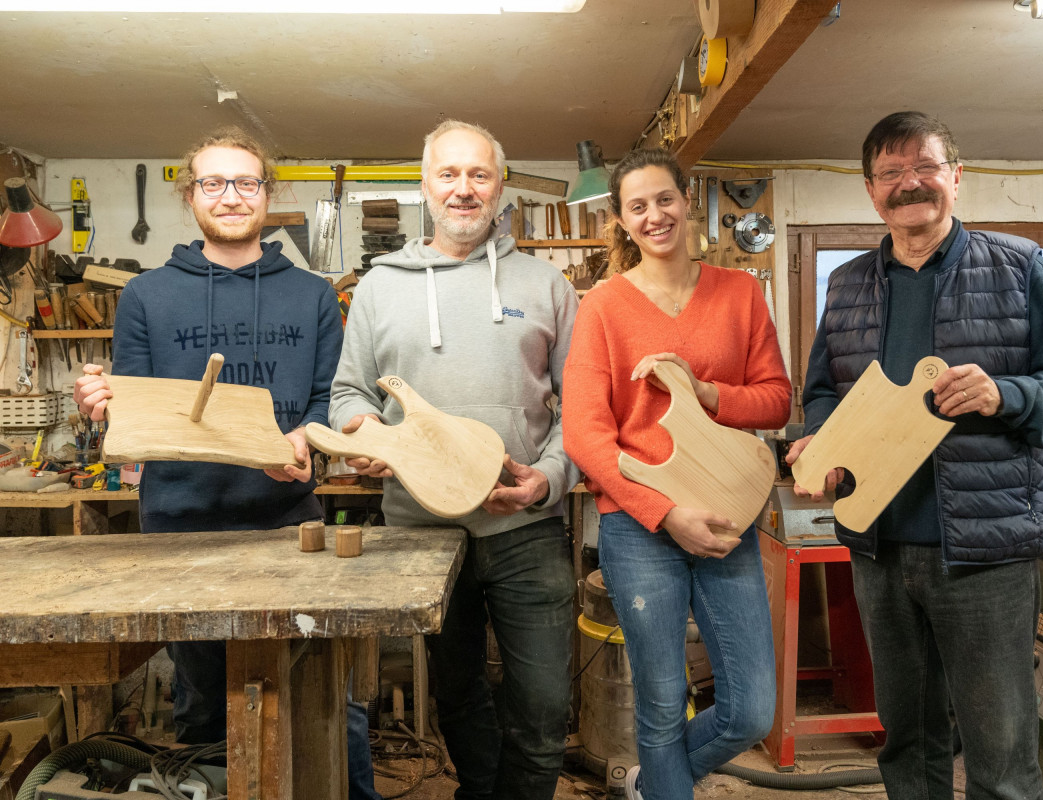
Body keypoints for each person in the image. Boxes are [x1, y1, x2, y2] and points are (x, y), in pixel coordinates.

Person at [786, 111, 1043, 800]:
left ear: (956, 177)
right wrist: (824, 442)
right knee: (908, 744)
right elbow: (822, 393)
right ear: (871, 190)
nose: (910, 184)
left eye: (924, 167)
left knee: (1001, 752)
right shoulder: (846, 287)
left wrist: (1003, 393)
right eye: (891, 173)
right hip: (879, 547)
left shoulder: (1018, 265)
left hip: (985, 554)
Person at [72, 128, 380, 800]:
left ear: (269, 194)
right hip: (179, 531)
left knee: (326, 700)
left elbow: (331, 402)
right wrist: (102, 407)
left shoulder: (314, 296)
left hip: (285, 526)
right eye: (213, 183)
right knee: (206, 706)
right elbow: (137, 408)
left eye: (246, 182)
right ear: (190, 197)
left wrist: (304, 445)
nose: (231, 196)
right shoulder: (147, 296)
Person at [328, 120, 578, 800]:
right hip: (420, 526)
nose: (463, 190)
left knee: (545, 706)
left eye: (479, 175)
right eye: (448, 174)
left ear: (500, 187)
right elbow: (348, 392)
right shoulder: (379, 286)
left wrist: (547, 479)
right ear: (425, 186)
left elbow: (582, 410)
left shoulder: (547, 283)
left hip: (525, 527)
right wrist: (370, 435)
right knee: (459, 692)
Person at [562, 148, 792, 800]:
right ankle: (663, 784)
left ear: (686, 201)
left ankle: (655, 782)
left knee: (750, 709)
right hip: (639, 527)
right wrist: (665, 514)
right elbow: (584, 434)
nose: (654, 214)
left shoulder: (741, 294)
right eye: (638, 206)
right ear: (622, 220)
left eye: (664, 199)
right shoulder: (603, 308)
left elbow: (776, 399)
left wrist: (708, 392)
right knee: (662, 706)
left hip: (725, 516)